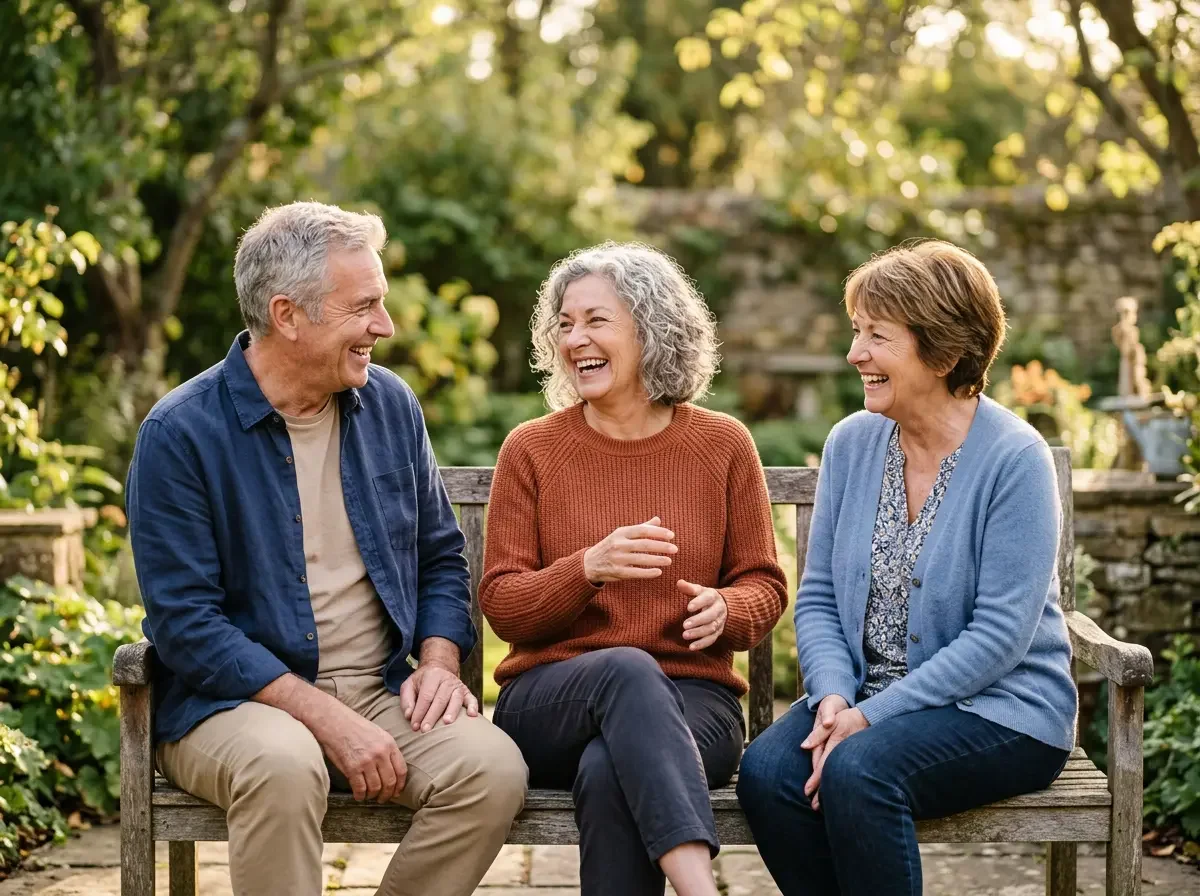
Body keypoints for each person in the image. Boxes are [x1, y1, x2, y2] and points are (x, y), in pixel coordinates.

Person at [126, 201, 527, 896]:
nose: (385, 326)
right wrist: (323, 717)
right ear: (288, 315)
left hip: (378, 690)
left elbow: (439, 556)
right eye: (363, 306)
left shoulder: (390, 406)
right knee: (283, 767)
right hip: (233, 705)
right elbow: (187, 626)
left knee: (491, 772)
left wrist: (436, 661)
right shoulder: (181, 434)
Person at [736, 240, 1078, 896]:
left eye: (876, 336)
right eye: (856, 332)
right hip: (863, 698)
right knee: (768, 774)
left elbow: (1001, 636)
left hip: (1000, 711)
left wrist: (870, 717)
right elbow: (819, 597)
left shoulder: (1014, 460)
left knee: (859, 771)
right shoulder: (851, 443)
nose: (854, 354)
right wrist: (835, 694)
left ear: (945, 353)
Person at [479, 241, 789, 896]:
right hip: (550, 700)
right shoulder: (531, 450)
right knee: (625, 667)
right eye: (564, 323)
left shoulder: (723, 444)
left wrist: (727, 610)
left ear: (651, 330)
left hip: (693, 702)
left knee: (607, 770)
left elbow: (763, 584)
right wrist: (585, 568)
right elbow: (503, 604)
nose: (574, 339)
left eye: (596, 320)